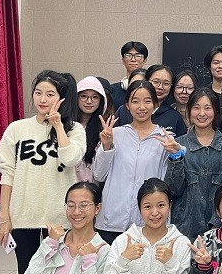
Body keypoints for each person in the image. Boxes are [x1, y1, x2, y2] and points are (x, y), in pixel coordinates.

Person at [0, 70, 87, 274]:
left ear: (61, 98)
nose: (43, 99)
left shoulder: (74, 129)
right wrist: (5, 217)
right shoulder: (17, 129)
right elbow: (7, 174)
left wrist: (58, 125)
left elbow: (71, 158)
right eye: (38, 93)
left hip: (59, 221)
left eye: (50, 94)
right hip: (24, 218)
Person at [92, 80, 171, 244]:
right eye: (135, 101)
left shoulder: (165, 140)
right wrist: (106, 146)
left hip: (148, 222)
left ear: (155, 105)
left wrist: (176, 154)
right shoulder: (114, 134)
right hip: (111, 221)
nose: (141, 107)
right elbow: (99, 175)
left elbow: (169, 183)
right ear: (127, 105)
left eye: (147, 101)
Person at [163, 88, 222, 240]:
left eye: (207, 108)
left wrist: (218, 221)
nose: (202, 114)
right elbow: (173, 189)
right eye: (196, 108)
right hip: (184, 228)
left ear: (216, 111)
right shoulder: (178, 144)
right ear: (189, 110)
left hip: (220, 227)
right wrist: (176, 157)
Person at [115, 64, 187, 137]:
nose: (160, 87)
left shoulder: (174, 116)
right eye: (156, 82)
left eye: (166, 83)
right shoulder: (123, 111)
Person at [74, 76, 112, 183]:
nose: (89, 101)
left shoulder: (104, 129)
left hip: (91, 188)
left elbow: (100, 174)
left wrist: (106, 146)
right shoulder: (66, 126)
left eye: (95, 97)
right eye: (84, 96)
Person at [111, 42, 148, 112]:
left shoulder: (151, 89)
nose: (133, 59)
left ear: (145, 60)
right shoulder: (113, 90)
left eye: (138, 56)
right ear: (123, 60)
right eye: (128, 55)